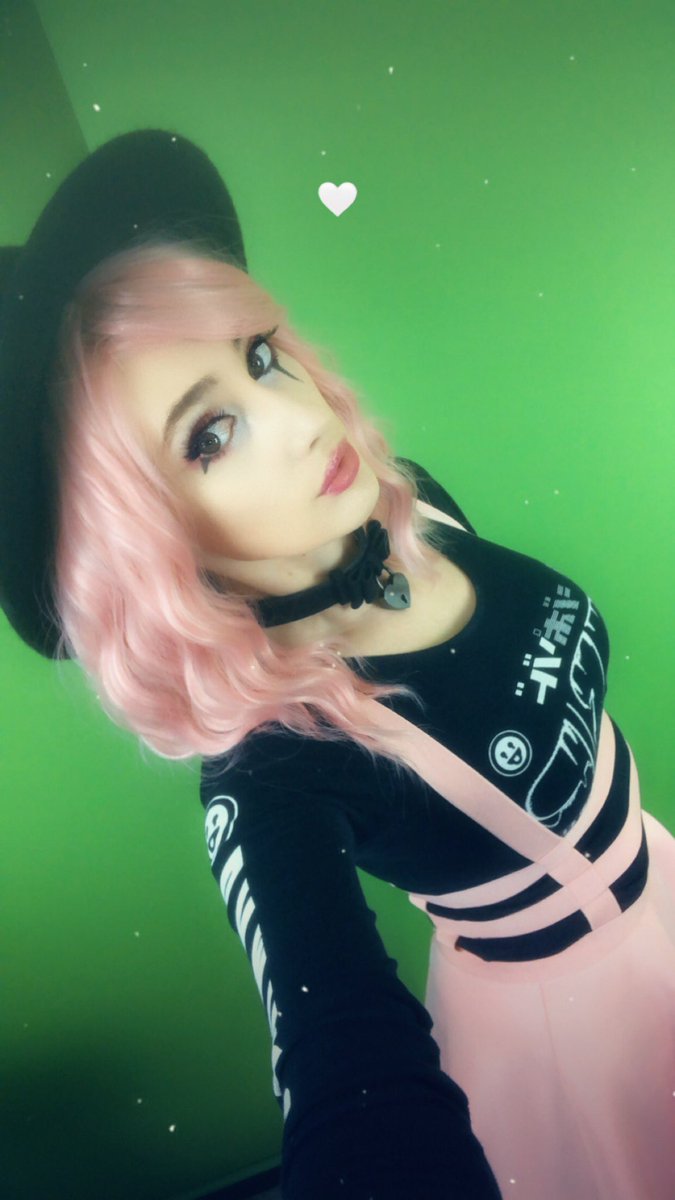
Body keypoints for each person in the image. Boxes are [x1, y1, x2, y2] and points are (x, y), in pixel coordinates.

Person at [0, 130, 672, 1200]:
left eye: (261, 357)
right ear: (143, 536)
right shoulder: (272, 771)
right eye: (209, 435)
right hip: (575, 1036)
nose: (300, 418)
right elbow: (343, 1073)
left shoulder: (408, 498)